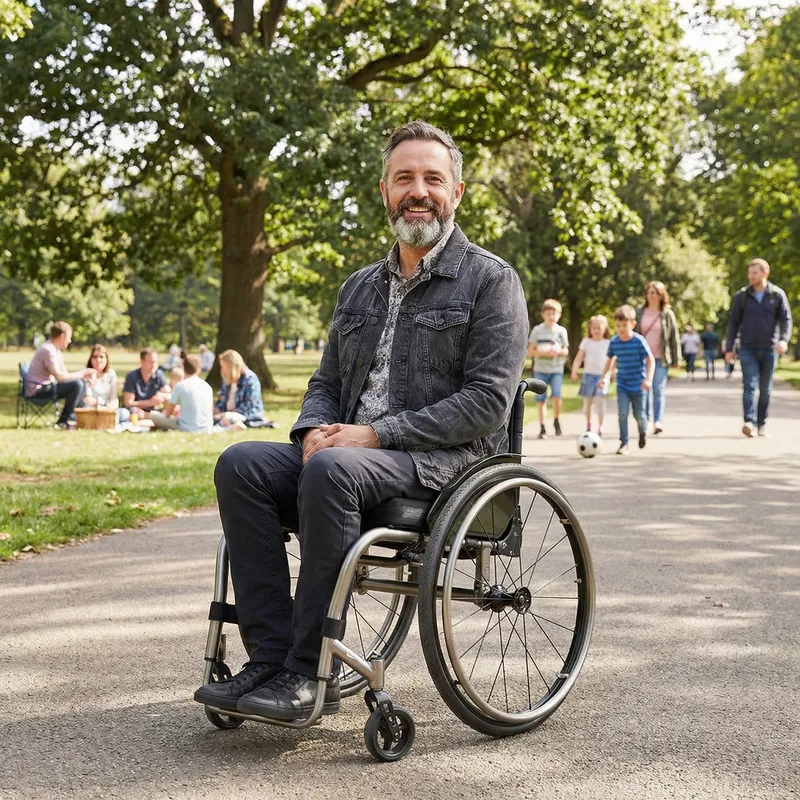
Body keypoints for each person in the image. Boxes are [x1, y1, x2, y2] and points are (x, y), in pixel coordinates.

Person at [193, 121, 528, 721]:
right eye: (405, 178)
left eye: (432, 178)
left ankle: (306, 671)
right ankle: (267, 661)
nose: (417, 190)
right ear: (384, 191)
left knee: (336, 472)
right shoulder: (358, 289)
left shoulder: (491, 281)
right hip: (347, 458)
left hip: (442, 466)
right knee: (241, 462)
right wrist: (311, 433)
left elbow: (486, 404)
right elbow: (325, 383)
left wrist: (373, 435)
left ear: (456, 192)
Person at [725, 258, 792, 437]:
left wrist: (784, 340)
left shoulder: (777, 295)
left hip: (769, 348)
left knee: (766, 389)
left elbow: (786, 320)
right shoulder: (742, 296)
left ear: (765, 273)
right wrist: (729, 348)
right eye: (749, 273)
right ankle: (749, 421)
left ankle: (761, 422)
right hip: (747, 348)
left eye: (754, 273)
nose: (750, 276)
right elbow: (733, 323)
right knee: (749, 386)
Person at [599, 306, 654, 455]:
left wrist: (648, 379)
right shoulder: (614, 342)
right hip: (622, 384)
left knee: (639, 415)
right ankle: (624, 443)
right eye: (618, 326)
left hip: (639, 385)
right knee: (622, 413)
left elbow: (650, 360)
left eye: (624, 325)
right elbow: (609, 361)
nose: (621, 329)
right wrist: (604, 377)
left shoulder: (638, 341)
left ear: (633, 324)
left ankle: (642, 431)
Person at [25, 321, 95, 429]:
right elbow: (60, 377)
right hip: (37, 390)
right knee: (77, 385)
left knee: (81, 383)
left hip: (47, 387)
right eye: (69, 337)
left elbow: (65, 375)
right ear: (62, 336)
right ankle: (64, 420)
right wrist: (82, 373)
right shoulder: (48, 350)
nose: (70, 341)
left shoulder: (55, 350)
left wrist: (83, 376)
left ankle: (74, 418)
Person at [637, 281, 680, 435]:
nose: (651, 295)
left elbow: (674, 337)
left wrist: (676, 359)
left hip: (661, 357)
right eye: (648, 292)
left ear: (661, 295)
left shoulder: (667, 314)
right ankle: (646, 420)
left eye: (654, 292)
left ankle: (658, 421)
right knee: (645, 389)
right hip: (643, 358)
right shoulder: (640, 313)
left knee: (658, 389)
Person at [528, 299, 569, 439]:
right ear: (543, 314)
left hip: (556, 369)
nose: (551, 316)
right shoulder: (537, 330)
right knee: (541, 399)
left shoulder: (561, 331)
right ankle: (542, 426)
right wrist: (545, 353)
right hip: (541, 369)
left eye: (554, 313)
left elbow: (566, 351)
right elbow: (531, 351)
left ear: (559, 315)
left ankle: (557, 421)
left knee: (557, 397)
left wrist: (558, 352)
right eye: (548, 313)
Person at [570, 315, 611, 436]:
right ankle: (588, 424)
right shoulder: (586, 342)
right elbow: (578, 358)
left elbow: (611, 360)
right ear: (590, 329)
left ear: (605, 328)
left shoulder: (608, 343)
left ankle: (600, 426)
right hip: (588, 375)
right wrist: (574, 371)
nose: (597, 330)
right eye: (594, 328)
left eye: (599, 327)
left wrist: (612, 372)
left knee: (600, 402)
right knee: (587, 403)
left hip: (602, 377)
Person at [151, 356, 213, 432]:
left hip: (186, 427)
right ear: (198, 369)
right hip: (207, 427)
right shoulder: (207, 386)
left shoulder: (180, 386)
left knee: (153, 415)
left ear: (184, 369)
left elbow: (168, 413)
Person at [213, 350, 265, 429]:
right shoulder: (227, 379)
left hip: (247, 415)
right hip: (228, 414)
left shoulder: (249, 379)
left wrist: (226, 414)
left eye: (223, 366)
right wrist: (217, 409)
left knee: (226, 418)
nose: (222, 370)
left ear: (231, 366)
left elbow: (249, 406)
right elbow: (222, 401)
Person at [82, 344, 129, 424]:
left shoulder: (111, 374)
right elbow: (87, 399)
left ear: (106, 359)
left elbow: (113, 398)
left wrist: (107, 408)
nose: (98, 360)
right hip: (91, 410)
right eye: (95, 357)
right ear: (91, 359)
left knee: (124, 413)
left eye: (101, 357)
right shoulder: (86, 374)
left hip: (107, 409)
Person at [122, 348, 170, 417]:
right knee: (136, 413)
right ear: (142, 361)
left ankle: (154, 417)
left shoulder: (159, 374)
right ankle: (154, 418)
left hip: (154, 411)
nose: (154, 365)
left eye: (155, 362)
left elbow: (168, 393)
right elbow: (128, 403)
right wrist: (150, 402)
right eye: (151, 362)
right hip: (137, 411)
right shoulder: (131, 377)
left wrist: (161, 395)